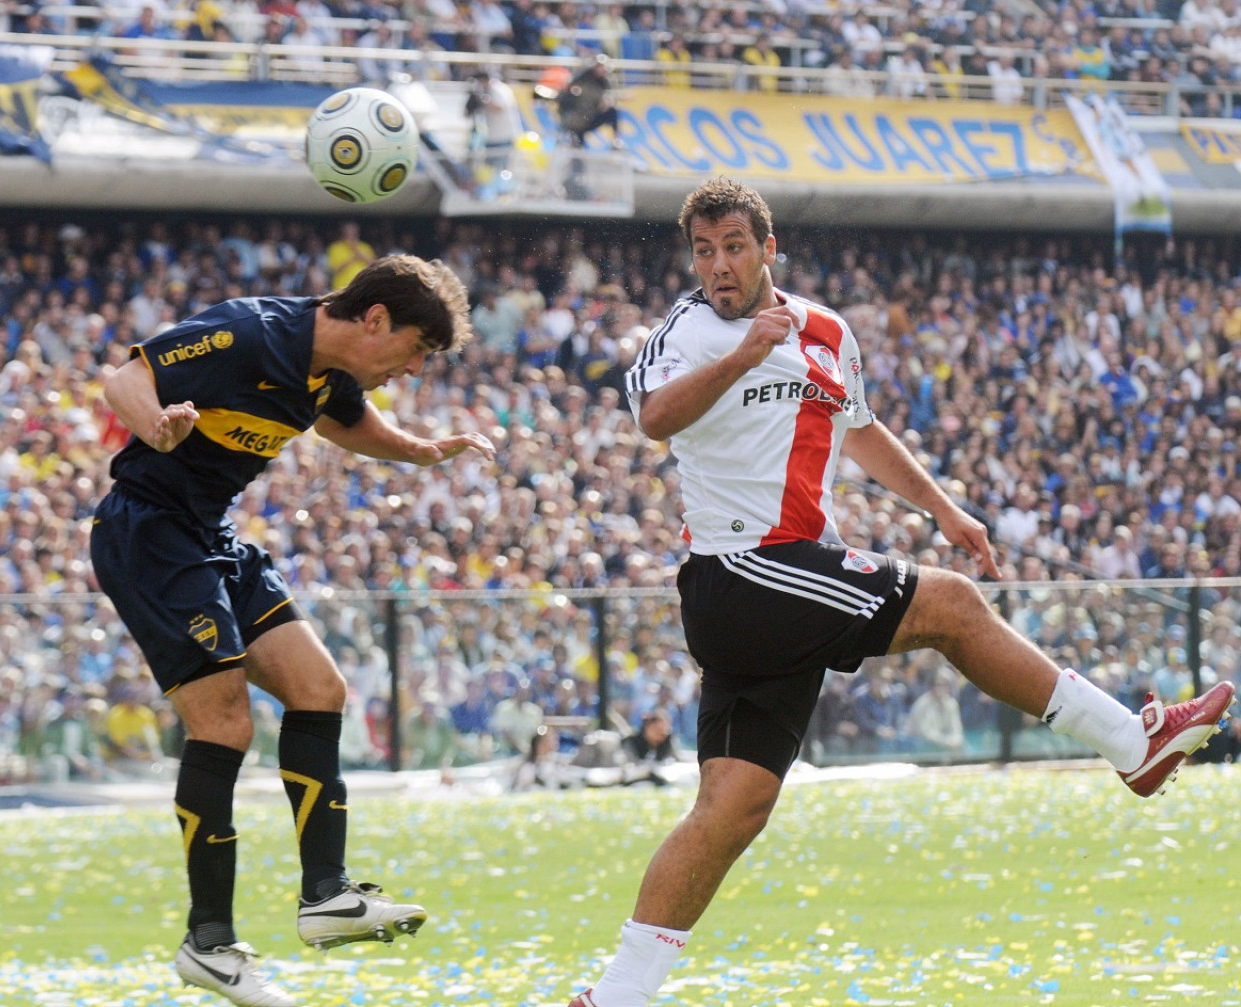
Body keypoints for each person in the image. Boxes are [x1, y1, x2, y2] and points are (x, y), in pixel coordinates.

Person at [563, 177, 1237, 1007]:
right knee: (952, 607)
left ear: (769, 248)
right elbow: (655, 418)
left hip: (785, 578)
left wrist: (946, 508)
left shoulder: (826, 331)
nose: (719, 266)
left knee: (731, 808)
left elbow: (862, 431)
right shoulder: (693, 328)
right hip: (742, 571)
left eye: (734, 246)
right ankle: (1131, 745)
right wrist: (741, 356)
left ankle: (617, 995)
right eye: (704, 251)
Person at [90, 254, 495, 1007]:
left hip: (210, 535)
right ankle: (208, 943)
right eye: (413, 350)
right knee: (224, 722)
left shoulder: (331, 372)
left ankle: (326, 896)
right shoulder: (248, 333)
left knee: (319, 687)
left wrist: (418, 449)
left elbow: (352, 424)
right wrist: (156, 423)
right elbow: (124, 377)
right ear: (375, 320)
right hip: (149, 534)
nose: (410, 370)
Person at [556, 53, 621, 148]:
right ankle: (571, 140)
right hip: (577, 120)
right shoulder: (583, 78)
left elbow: (608, 98)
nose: (601, 70)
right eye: (599, 67)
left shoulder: (605, 81)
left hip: (591, 116)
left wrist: (606, 103)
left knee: (612, 111)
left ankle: (616, 140)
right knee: (577, 145)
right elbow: (567, 97)